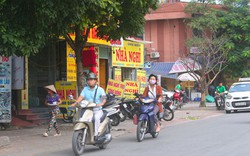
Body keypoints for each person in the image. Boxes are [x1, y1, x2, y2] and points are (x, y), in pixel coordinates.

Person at [71, 72, 106, 140]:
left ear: (95, 80)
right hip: (87, 110)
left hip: (97, 110)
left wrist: (101, 103)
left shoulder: (100, 90)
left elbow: (103, 99)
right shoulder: (85, 89)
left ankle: (96, 135)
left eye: (91, 80)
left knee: (96, 118)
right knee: (80, 118)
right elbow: (80, 97)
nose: (89, 82)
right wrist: (74, 103)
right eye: (88, 80)